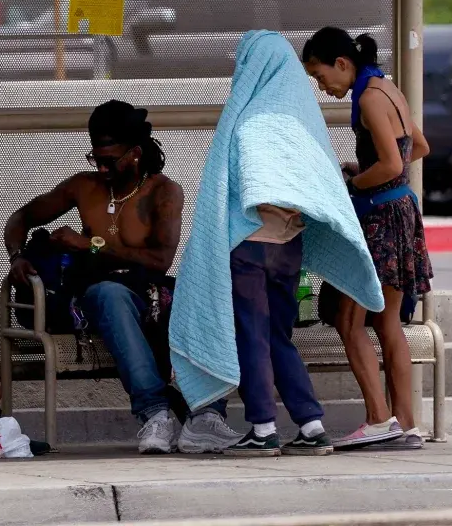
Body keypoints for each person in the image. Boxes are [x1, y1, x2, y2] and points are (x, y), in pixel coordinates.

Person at [170, 30, 385, 458]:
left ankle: (263, 427)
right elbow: (317, 186)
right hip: (289, 247)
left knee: (251, 335)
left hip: (249, 245)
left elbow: (248, 184)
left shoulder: (252, 120)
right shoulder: (304, 123)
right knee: (279, 336)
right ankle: (311, 424)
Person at [4, 100, 239, 455]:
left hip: (147, 290)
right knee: (108, 294)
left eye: (109, 160)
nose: (101, 168)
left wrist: (91, 245)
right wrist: (17, 257)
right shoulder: (83, 186)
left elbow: (160, 260)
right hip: (95, 295)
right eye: (95, 158)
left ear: (135, 154)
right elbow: (20, 218)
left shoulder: (163, 192)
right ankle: (154, 412)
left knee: (202, 297)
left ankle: (206, 415)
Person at [303, 27, 433, 451]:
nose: (322, 87)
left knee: (348, 319)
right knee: (387, 321)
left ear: (342, 63)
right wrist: (369, 168)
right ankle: (406, 425)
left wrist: (355, 182)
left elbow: (393, 164)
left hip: (379, 218)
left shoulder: (368, 99)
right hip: (402, 212)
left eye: (321, 76)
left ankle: (379, 420)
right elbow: (419, 147)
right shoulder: (387, 89)